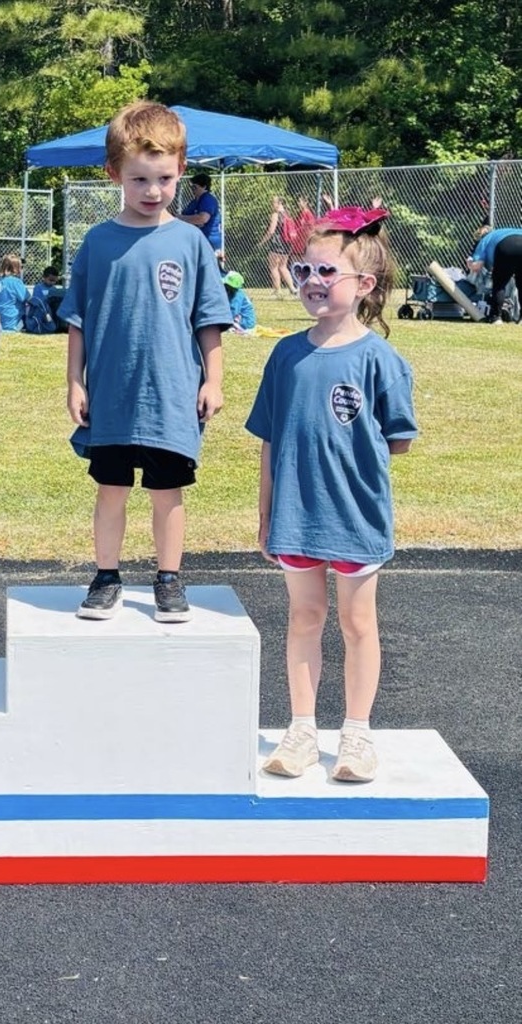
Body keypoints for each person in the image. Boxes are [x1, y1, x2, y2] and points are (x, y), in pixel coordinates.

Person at [246, 205, 418, 783]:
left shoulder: (381, 360)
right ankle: (301, 729)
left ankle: (357, 734)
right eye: (303, 272)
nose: (313, 283)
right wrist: (267, 509)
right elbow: (269, 439)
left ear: (364, 285)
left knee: (357, 623)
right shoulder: (286, 355)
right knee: (304, 617)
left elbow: (397, 442)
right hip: (296, 516)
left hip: (356, 518)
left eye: (326, 273)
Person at [59, 100, 231, 623]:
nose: (152, 191)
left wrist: (214, 380)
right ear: (114, 174)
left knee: (166, 492)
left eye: (163, 178)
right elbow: (79, 321)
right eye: (138, 180)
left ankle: (169, 578)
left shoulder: (191, 242)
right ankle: (106, 575)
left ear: (181, 170)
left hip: (172, 395)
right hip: (111, 393)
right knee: (111, 490)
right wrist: (74, 382)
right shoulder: (98, 242)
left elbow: (209, 318)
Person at [466, 226, 522, 324]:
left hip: (507, 246)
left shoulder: (485, 239)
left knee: (499, 284)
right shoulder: (504, 231)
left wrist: (469, 262)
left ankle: (496, 317)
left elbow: (476, 266)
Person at [259, 195, 297, 299]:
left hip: (277, 244)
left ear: (279, 203)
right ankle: (292, 288)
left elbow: (271, 231)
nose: (272, 205)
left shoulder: (276, 214)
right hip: (287, 244)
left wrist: (262, 242)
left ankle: (277, 290)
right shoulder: (288, 214)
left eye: (274, 202)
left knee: (273, 267)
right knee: (283, 267)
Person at [178, 172, 223, 259]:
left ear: (204, 187)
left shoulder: (208, 200)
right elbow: (186, 215)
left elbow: (202, 218)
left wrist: (179, 218)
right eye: (191, 187)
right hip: (197, 242)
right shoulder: (194, 202)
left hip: (209, 243)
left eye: (195, 187)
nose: (192, 190)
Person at [0, 253, 30, 330]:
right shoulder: (16, 282)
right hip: (12, 324)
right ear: (15, 268)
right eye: (21, 267)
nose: (22, 269)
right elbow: (28, 298)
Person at [25, 265, 67, 333]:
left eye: (54, 281)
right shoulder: (38, 287)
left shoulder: (54, 289)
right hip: (42, 313)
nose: (52, 283)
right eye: (50, 280)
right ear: (44, 277)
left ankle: (61, 326)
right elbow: (38, 302)